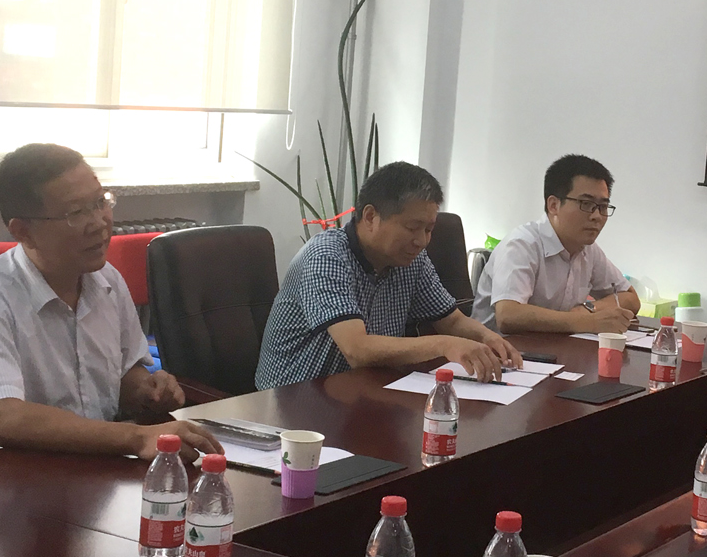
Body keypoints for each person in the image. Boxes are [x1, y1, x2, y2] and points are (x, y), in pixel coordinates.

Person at [0, 144, 221, 462]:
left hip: (89, 466)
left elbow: (124, 374)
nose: (99, 222)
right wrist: (136, 438)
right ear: (24, 231)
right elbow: (3, 418)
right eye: (75, 213)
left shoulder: (107, 280)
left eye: (100, 202)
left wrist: (147, 389)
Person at [256, 161, 520, 389]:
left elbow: (450, 321)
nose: (422, 241)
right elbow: (356, 349)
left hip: (362, 391)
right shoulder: (326, 256)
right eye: (413, 227)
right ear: (371, 216)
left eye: (429, 230)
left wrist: (488, 337)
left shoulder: (411, 260)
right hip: (292, 400)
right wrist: (445, 345)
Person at [472, 154, 639, 334]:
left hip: (553, 347)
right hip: (499, 348)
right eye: (586, 204)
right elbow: (508, 315)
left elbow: (630, 298)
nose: (596, 216)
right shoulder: (522, 244)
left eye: (603, 206)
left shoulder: (588, 250)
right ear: (553, 205)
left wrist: (589, 309)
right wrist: (586, 322)